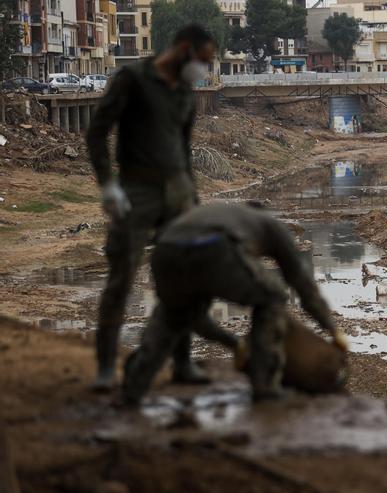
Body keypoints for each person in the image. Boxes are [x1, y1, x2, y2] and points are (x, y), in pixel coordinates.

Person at [86, 24, 217, 391]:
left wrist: (193, 197)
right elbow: (97, 131)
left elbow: (185, 149)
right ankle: (105, 369)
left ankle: (182, 364)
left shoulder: (185, 93)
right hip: (136, 190)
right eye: (203, 61)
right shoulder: (133, 79)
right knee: (122, 277)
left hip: (178, 192)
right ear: (184, 49)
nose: (204, 69)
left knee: (182, 280)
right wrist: (107, 185)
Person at [121, 203, 345, 404]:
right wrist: (331, 328)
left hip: (165, 250)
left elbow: (196, 319)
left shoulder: (225, 213)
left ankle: (134, 385)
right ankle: (265, 385)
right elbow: (301, 281)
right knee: (273, 295)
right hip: (215, 247)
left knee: (174, 313)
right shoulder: (271, 225)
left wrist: (234, 343)